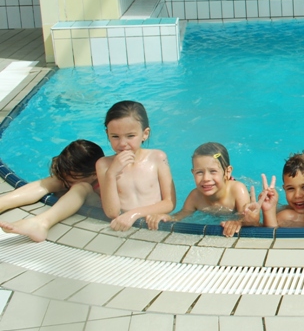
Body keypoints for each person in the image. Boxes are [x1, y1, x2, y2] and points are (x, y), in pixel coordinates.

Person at [0, 140, 105, 242]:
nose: (67, 183)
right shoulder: (68, 176)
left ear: (95, 174)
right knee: (56, 181)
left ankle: (40, 224)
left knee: (82, 187)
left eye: (71, 180)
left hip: (96, 205)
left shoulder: (107, 183)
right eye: (65, 179)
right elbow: (44, 185)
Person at [95, 101, 176, 231]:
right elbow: (112, 212)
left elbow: (169, 202)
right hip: (123, 226)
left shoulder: (157, 158)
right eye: (115, 136)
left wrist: (133, 214)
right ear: (107, 134)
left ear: (145, 134)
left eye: (130, 136)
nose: (122, 143)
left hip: (154, 224)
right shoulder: (104, 165)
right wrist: (111, 174)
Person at [145, 143, 253, 237]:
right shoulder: (195, 196)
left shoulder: (237, 190)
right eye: (199, 172)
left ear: (227, 172)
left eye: (213, 171)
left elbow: (247, 217)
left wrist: (238, 222)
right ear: (193, 173)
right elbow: (182, 214)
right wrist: (168, 217)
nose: (206, 178)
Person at [261, 151, 304, 228]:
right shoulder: (286, 218)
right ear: (284, 189)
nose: (297, 195)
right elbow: (270, 235)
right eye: (290, 188)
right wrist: (268, 211)